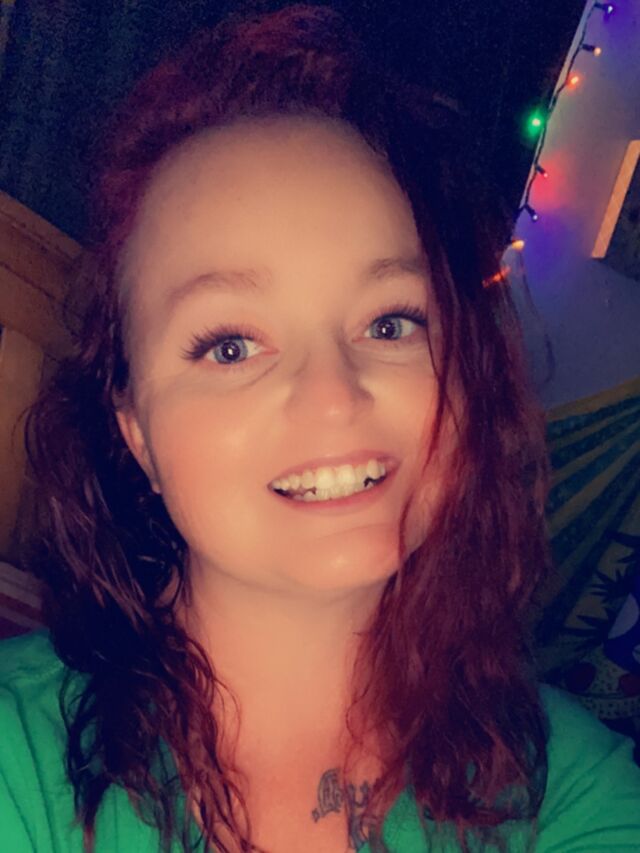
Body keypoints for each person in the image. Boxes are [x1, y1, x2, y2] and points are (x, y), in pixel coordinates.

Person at [1, 4, 639, 853]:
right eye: (230, 344)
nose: (334, 397)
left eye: (389, 322)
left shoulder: (575, 792)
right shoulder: (18, 760)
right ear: (136, 431)